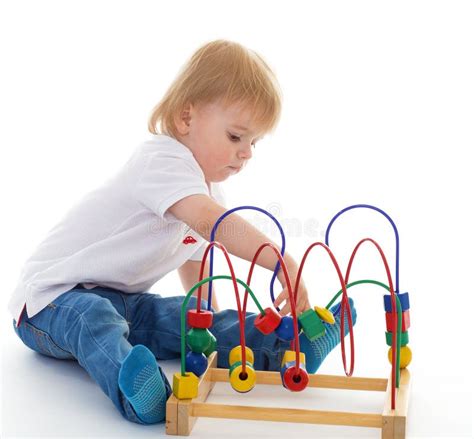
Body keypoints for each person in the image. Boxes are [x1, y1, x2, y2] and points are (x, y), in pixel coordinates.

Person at [8, 39, 357, 425]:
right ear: (186, 119)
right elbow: (214, 224)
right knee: (93, 317)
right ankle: (139, 392)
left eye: (254, 142)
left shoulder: (206, 193)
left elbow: (198, 272)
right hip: (48, 304)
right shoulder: (161, 161)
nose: (247, 153)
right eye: (235, 137)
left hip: (125, 302)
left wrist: (206, 323)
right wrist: (280, 260)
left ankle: (283, 347)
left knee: (189, 317)